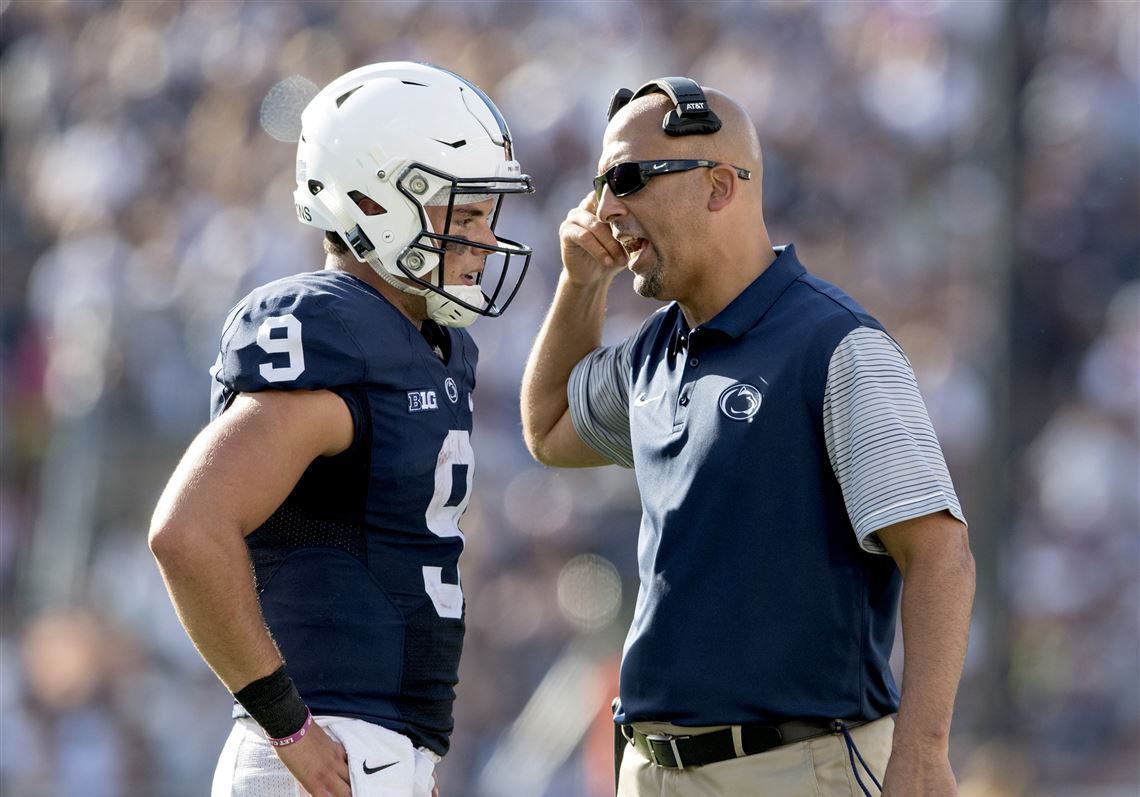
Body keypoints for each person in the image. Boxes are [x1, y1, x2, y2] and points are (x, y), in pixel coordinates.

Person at [520, 77, 975, 797]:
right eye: (601, 182)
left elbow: (940, 554)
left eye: (629, 179)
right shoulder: (653, 352)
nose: (605, 209)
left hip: (797, 767)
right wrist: (580, 285)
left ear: (721, 186)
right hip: (652, 770)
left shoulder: (835, 344)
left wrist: (923, 752)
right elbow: (547, 428)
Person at [148, 61, 534, 797]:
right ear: (374, 199)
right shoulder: (335, 333)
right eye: (465, 211)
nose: (485, 239)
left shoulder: (424, 342)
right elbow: (188, 531)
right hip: (326, 744)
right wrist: (286, 724)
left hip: (376, 748)